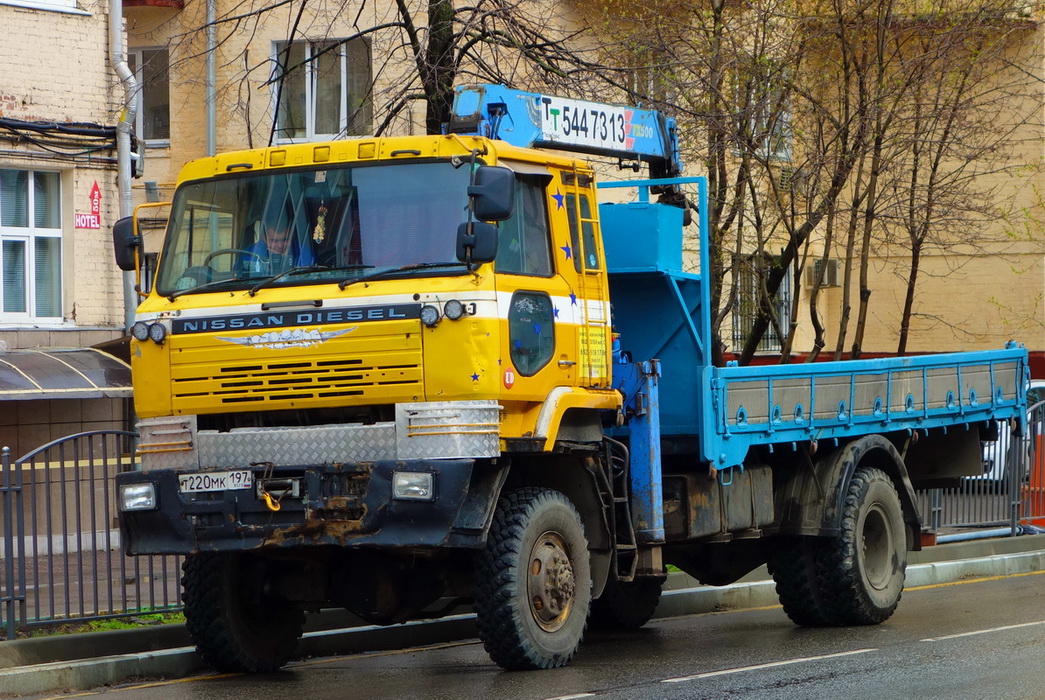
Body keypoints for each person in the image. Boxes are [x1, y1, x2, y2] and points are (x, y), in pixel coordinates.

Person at [243, 219, 314, 274]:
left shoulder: (304, 252)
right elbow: (237, 278)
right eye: (274, 241)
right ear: (264, 238)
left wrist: (286, 258)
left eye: (285, 240)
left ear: (291, 237)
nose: (280, 245)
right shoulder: (249, 254)